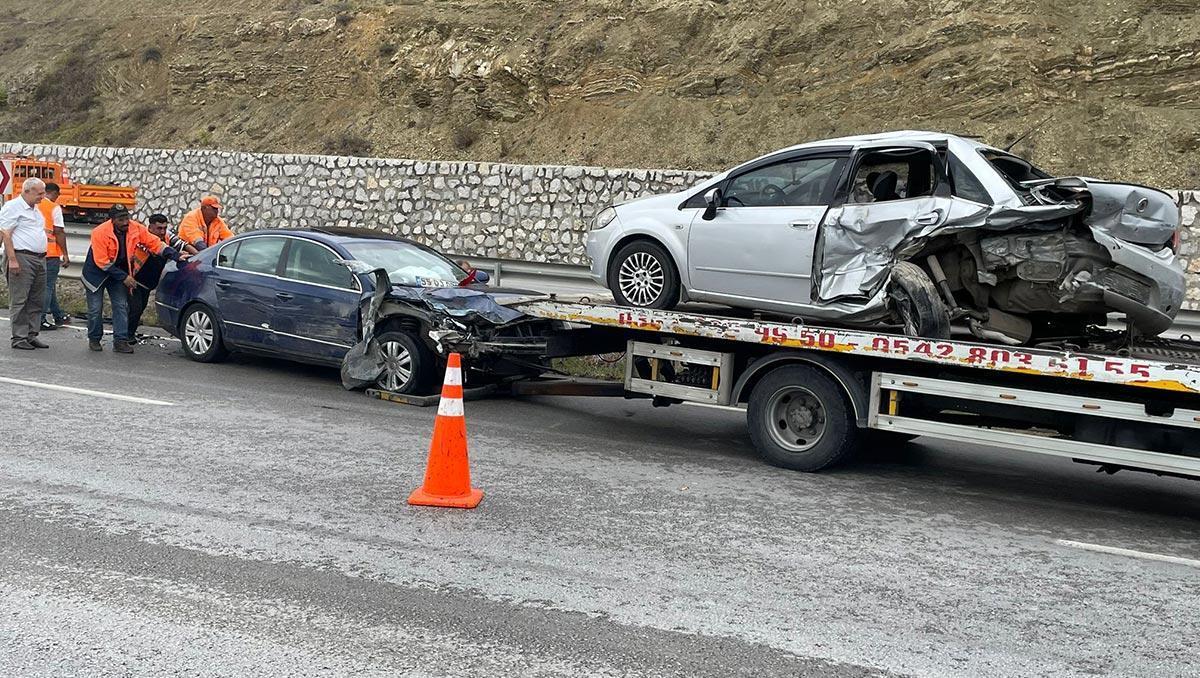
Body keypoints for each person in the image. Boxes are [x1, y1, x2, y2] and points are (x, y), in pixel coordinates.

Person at [82, 205, 187, 353]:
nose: (126, 222)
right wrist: (125, 277)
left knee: (121, 306)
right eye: (121, 219)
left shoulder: (135, 228)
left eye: (127, 218)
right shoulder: (99, 232)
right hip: (96, 273)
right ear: (112, 220)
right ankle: (94, 338)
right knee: (95, 309)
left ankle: (120, 341)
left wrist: (176, 256)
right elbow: (102, 262)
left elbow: (155, 243)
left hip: (118, 270)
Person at [127, 213, 197, 343]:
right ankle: (125, 336)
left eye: (165, 228)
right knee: (134, 309)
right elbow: (158, 249)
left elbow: (183, 245)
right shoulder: (142, 237)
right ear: (150, 227)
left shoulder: (167, 237)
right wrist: (174, 254)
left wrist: (199, 256)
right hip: (133, 280)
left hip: (148, 284)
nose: (162, 231)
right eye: (159, 228)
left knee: (140, 308)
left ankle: (128, 333)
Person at [1, 178, 50, 350]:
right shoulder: (13, 207)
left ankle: (31, 334)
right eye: (40, 193)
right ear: (28, 191)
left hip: (39, 258)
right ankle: (19, 337)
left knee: (36, 299)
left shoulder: (35, 209)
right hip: (22, 257)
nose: (43, 196)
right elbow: (6, 234)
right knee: (20, 299)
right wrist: (12, 259)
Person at [40, 182, 70, 330]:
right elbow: (58, 231)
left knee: (48, 287)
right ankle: (41, 319)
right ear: (54, 193)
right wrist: (65, 253)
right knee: (47, 286)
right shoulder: (53, 207)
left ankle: (58, 315)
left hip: (34, 252)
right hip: (50, 253)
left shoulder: (33, 204)